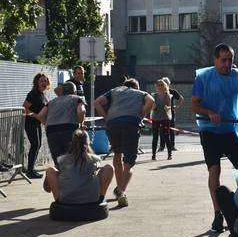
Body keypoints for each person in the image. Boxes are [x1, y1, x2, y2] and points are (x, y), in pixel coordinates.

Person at [191, 43, 238, 233]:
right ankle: (218, 214)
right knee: (214, 170)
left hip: (231, 129)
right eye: (223, 60)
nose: (227, 64)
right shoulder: (204, 77)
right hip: (209, 129)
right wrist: (209, 112)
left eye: (230, 60)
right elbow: (194, 105)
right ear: (215, 60)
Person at [94, 78, 154, 208]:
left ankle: (119, 186)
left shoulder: (114, 91)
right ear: (136, 87)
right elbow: (151, 101)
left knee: (117, 153)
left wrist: (106, 118)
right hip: (131, 123)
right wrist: (141, 116)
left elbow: (97, 102)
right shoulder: (141, 93)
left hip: (113, 124)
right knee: (129, 162)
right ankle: (121, 191)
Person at [42, 129, 114, 204]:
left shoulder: (62, 160)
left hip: (66, 200)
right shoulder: (95, 159)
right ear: (88, 143)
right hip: (91, 199)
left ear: (72, 143)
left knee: (50, 170)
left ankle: (58, 201)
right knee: (109, 167)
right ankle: (100, 198)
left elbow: (47, 189)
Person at [36, 82, 86, 167]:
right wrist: (81, 125)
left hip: (51, 131)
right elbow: (81, 111)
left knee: (58, 161)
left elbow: (40, 115)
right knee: (71, 159)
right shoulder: (77, 99)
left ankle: (59, 177)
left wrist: (47, 124)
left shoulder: (51, 102)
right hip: (70, 129)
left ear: (62, 91)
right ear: (74, 91)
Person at [23, 73, 51, 179]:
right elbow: (24, 108)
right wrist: (37, 116)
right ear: (37, 83)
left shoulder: (42, 94)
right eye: (41, 81)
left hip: (37, 123)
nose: (44, 83)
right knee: (35, 144)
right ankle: (30, 171)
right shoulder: (33, 93)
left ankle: (31, 169)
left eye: (45, 81)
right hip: (30, 122)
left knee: (37, 145)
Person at [158, 77, 184, 152]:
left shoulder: (172, 91)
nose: (164, 85)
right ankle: (162, 146)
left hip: (170, 113)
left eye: (165, 83)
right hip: (161, 113)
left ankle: (172, 146)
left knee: (171, 129)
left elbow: (181, 99)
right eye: (163, 84)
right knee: (162, 129)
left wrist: (177, 106)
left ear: (168, 84)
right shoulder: (159, 92)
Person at [150, 78, 173, 160]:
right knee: (155, 136)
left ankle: (169, 155)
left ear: (165, 86)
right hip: (156, 118)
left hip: (164, 118)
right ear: (156, 86)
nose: (160, 86)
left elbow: (169, 106)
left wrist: (168, 108)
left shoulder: (168, 95)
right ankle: (153, 155)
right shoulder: (153, 95)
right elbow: (151, 107)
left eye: (161, 85)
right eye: (158, 85)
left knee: (166, 136)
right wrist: (152, 107)